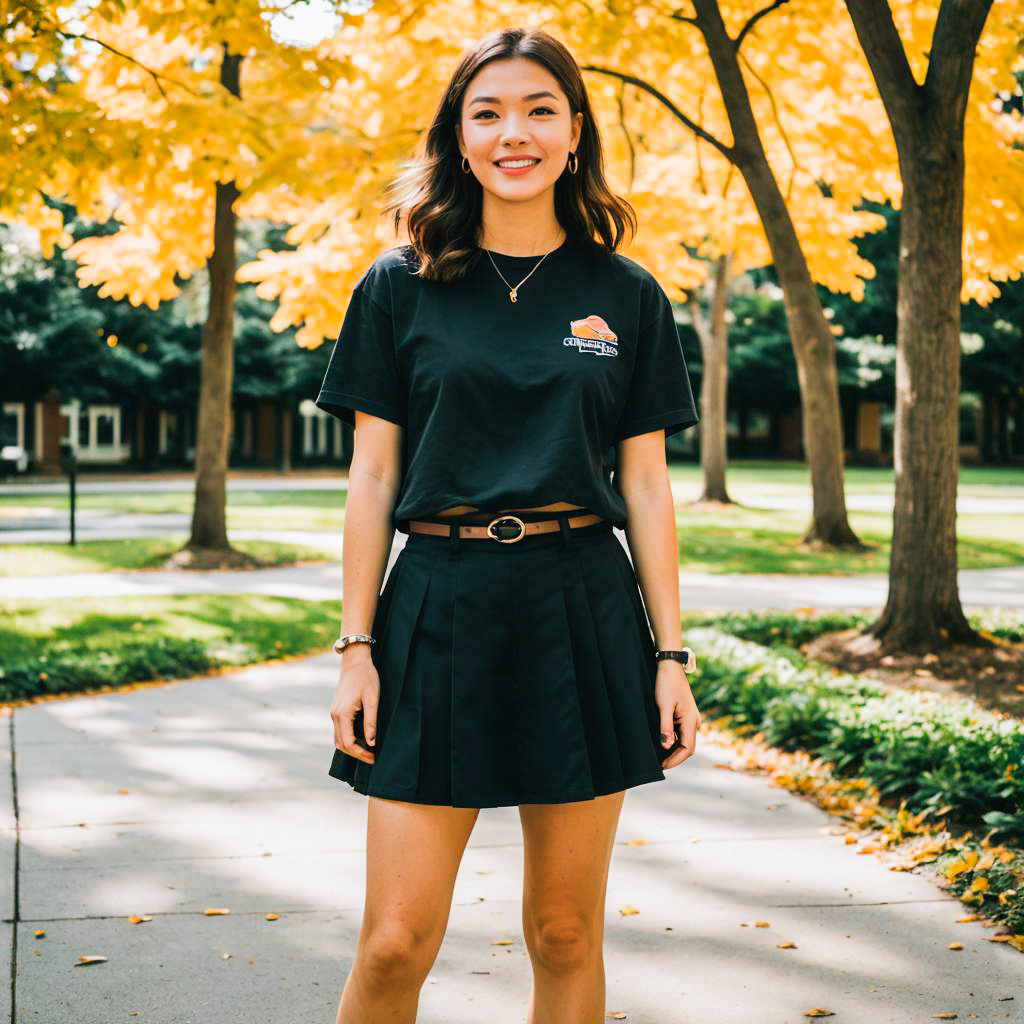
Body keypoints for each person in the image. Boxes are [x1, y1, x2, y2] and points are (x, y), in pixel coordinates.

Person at [317, 25, 703, 1024]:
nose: (513, 132)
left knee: (564, 931)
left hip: (579, 604)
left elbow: (649, 486)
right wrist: (356, 644)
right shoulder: (397, 284)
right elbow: (371, 476)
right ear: (457, 135)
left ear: (575, 132)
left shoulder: (627, 295)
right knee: (396, 940)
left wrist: (671, 654)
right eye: (486, 113)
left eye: (539, 109)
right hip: (434, 604)